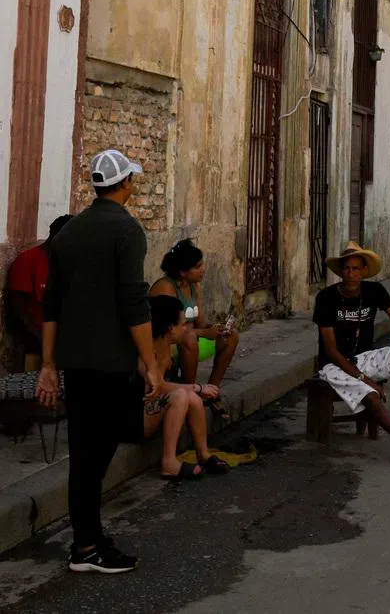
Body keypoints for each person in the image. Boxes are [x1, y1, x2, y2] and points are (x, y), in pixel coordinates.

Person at [37, 149, 161, 574]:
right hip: (112, 365)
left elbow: (50, 303)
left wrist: (48, 364)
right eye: (133, 179)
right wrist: (151, 363)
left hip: (76, 364)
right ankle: (87, 548)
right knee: (94, 458)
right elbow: (134, 303)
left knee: (85, 455)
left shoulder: (69, 233)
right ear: (125, 183)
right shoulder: (127, 230)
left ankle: (87, 538)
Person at [313, 242, 390, 462]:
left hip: (365, 357)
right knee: (369, 394)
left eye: (355, 268)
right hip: (334, 365)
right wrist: (365, 379)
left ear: (363, 270)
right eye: (346, 269)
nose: (350, 274)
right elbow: (331, 350)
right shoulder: (326, 298)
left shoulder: (374, 291)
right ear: (340, 271)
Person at [145, 295, 230, 481]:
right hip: (134, 418)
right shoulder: (147, 351)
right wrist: (197, 387)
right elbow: (159, 386)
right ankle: (169, 462)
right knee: (181, 396)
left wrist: (196, 390)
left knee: (191, 397)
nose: (186, 328)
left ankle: (203, 454)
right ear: (169, 329)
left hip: (149, 409)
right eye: (182, 324)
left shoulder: (165, 345)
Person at [150, 239, 240, 394]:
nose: (203, 270)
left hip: (190, 338)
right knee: (190, 338)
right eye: (197, 267)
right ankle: (190, 390)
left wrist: (215, 328)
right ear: (183, 271)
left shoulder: (194, 286)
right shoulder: (166, 287)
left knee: (231, 336)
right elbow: (167, 330)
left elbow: (201, 321)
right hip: (169, 343)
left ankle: (212, 390)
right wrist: (203, 333)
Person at [5, 213, 70, 370]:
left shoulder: (67, 262)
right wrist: (44, 340)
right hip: (35, 336)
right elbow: (18, 309)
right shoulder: (28, 260)